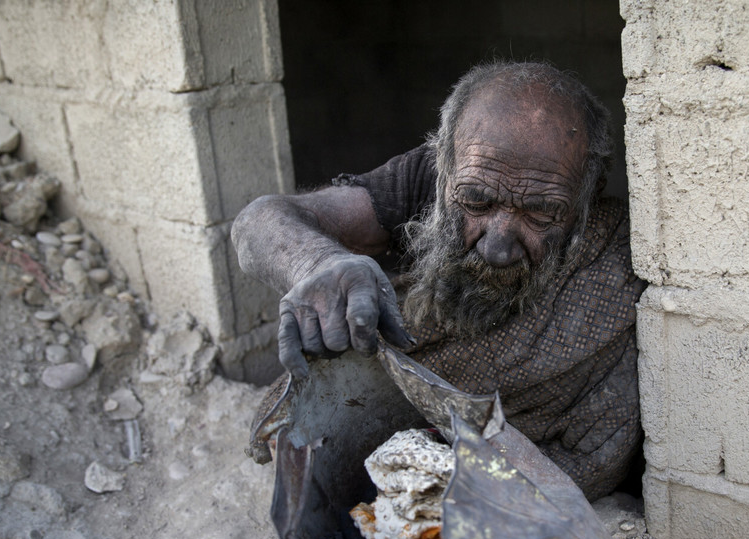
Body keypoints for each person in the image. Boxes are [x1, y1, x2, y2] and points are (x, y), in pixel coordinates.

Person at [231, 62, 646, 500]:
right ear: (443, 165)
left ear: (588, 193)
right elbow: (257, 223)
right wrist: (317, 262)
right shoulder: (424, 178)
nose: (498, 248)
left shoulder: (615, 249)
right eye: (476, 202)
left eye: (541, 214)